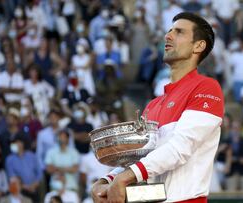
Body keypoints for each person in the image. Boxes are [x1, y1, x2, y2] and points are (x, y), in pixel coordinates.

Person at [92, 12, 224, 202]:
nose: (167, 36)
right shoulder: (153, 104)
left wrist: (126, 177)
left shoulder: (206, 87)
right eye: (169, 31)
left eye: (179, 32)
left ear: (198, 46)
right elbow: (141, 156)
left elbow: (180, 148)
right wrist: (107, 179)